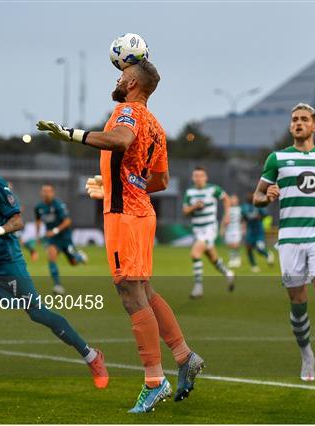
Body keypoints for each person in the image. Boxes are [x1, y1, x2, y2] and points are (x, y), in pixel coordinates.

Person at [36, 59, 204, 413]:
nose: (117, 78)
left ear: (132, 83)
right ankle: (184, 356)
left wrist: (71, 134)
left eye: (122, 76)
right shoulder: (155, 124)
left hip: (124, 216)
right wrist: (118, 183)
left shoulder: (126, 112)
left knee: (130, 293)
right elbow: (159, 180)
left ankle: (154, 381)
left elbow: (119, 140)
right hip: (141, 211)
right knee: (144, 289)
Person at [0, 127, 108, 389]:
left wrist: (0, 229)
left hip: (6, 264)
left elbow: (17, 220)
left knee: (38, 314)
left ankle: (91, 355)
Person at [253, 103, 315, 383]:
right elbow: (256, 197)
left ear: (314, 126)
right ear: (290, 126)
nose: (298, 123)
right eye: (294, 119)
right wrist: (267, 196)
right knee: (297, 300)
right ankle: (307, 355)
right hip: (290, 239)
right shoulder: (277, 159)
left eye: (304, 119)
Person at [183, 167, 235, 298]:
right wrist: (195, 206)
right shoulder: (189, 192)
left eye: (201, 176)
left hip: (209, 229)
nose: (198, 178)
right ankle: (228, 273)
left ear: (206, 177)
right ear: (193, 178)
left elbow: (226, 199)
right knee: (213, 258)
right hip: (197, 230)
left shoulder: (213, 189)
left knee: (195, 254)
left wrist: (227, 215)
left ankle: (198, 288)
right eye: (196, 176)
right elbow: (185, 212)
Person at [34, 184, 87, 295]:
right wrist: (38, 235)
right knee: (51, 257)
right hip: (53, 240)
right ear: (41, 193)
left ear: (53, 193)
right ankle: (57, 285)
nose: (46, 193)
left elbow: (67, 221)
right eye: (44, 191)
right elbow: (38, 221)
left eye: (48, 191)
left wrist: (55, 231)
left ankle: (79, 256)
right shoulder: (39, 207)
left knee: (73, 262)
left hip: (65, 238)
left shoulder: (58, 205)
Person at [241, 192, 274, 273]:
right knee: (248, 248)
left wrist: (260, 218)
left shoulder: (258, 205)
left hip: (259, 230)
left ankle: (267, 254)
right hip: (250, 231)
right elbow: (243, 217)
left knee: (259, 248)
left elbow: (265, 214)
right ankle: (254, 266)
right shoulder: (244, 207)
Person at [222, 194, 243, 268]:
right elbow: (224, 219)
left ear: (237, 201)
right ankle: (232, 259)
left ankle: (237, 259)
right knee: (230, 245)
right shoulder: (227, 209)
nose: (233, 201)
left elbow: (243, 220)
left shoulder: (240, 209)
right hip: (229, 229)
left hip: (237, 229)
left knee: (236, 245)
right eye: (232, 199)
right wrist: (222, 229)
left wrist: (243, 228)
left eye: (235, 199)